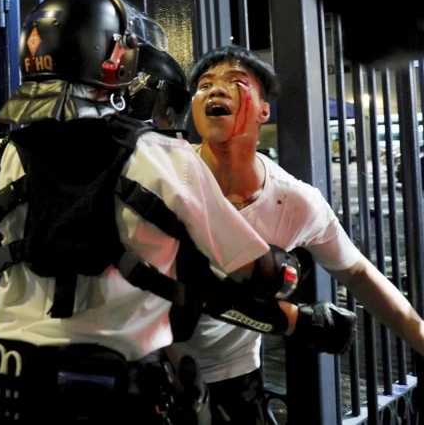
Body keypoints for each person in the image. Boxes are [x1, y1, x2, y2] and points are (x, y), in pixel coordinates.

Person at [0, 0, 355, 424]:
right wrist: (292, 280)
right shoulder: (168, 159)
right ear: (115, 59)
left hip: (15, 395)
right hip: (124, 397)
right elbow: (254, 273)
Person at [169, 44, 424, 424]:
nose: (215, 90)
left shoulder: (294, 202)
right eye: (204, 85)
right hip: (144, 361)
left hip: (231, 375)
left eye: (236, 82)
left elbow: (357, 272)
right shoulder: (159, 172)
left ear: (264, 110)